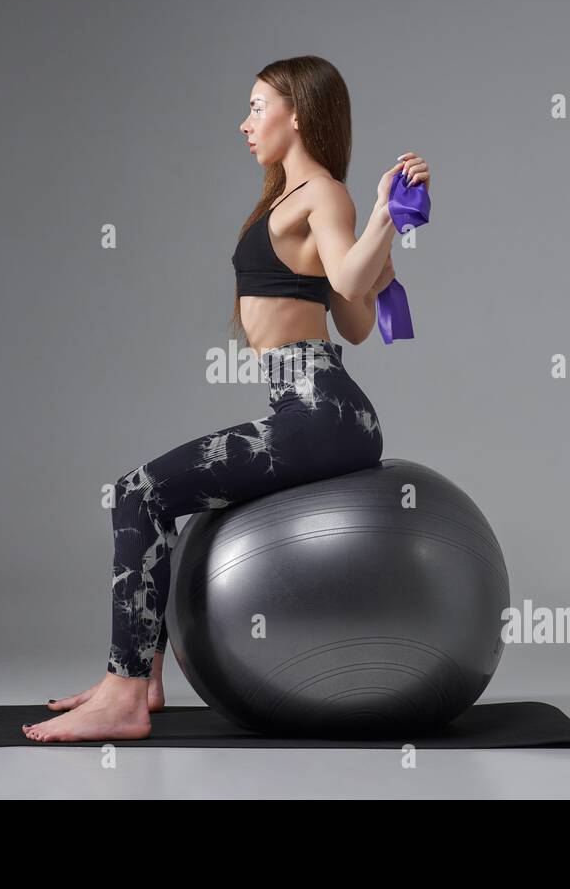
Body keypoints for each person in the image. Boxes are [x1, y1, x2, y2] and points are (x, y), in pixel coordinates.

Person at [22, 55, 430, 742]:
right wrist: (376, 251)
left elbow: (353, 285)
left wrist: (387, 219)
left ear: (295, 112)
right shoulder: (289, 198)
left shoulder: (324, 193)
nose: (245, 124)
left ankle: (124, 692)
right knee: (153, 495)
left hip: (316, 408)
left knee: (137, 492)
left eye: (256, 106)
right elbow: (356, 319)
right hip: (318, 405)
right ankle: (140, 678)